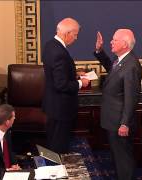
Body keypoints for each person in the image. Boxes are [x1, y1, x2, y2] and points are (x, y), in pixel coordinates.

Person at [94, 30, 142, 180]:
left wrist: (125, 123)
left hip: (120, 121)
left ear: (125, 44)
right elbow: (112, 69)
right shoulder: (121, 60)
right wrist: (99, 51)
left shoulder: (131, 65)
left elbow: (131, 97)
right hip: (113, 119)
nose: (111, 42)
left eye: (114, 40)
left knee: (123, 159)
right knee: (118, 156)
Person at [42, 17, 90, 154]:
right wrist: (81, 82)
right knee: (58, 146)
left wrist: (73, 74)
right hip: (61, 108)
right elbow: (61, 85)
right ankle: (57, 172)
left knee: (53, 142)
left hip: (52, 105)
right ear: (67, 33)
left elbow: (56, 74)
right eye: (75, 35)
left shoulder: (49, 45)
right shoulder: (60, 53)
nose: (75, 38)